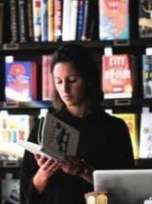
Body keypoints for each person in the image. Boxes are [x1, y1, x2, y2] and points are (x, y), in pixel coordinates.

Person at [21, 44, 135, 204]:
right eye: (58, 82)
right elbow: (26, 195)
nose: (65, 89)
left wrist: (82, 170)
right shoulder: (43, 126)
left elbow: (124, 188)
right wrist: (44, 173)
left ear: (88, 79)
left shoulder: (113, 128)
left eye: (72, 80)